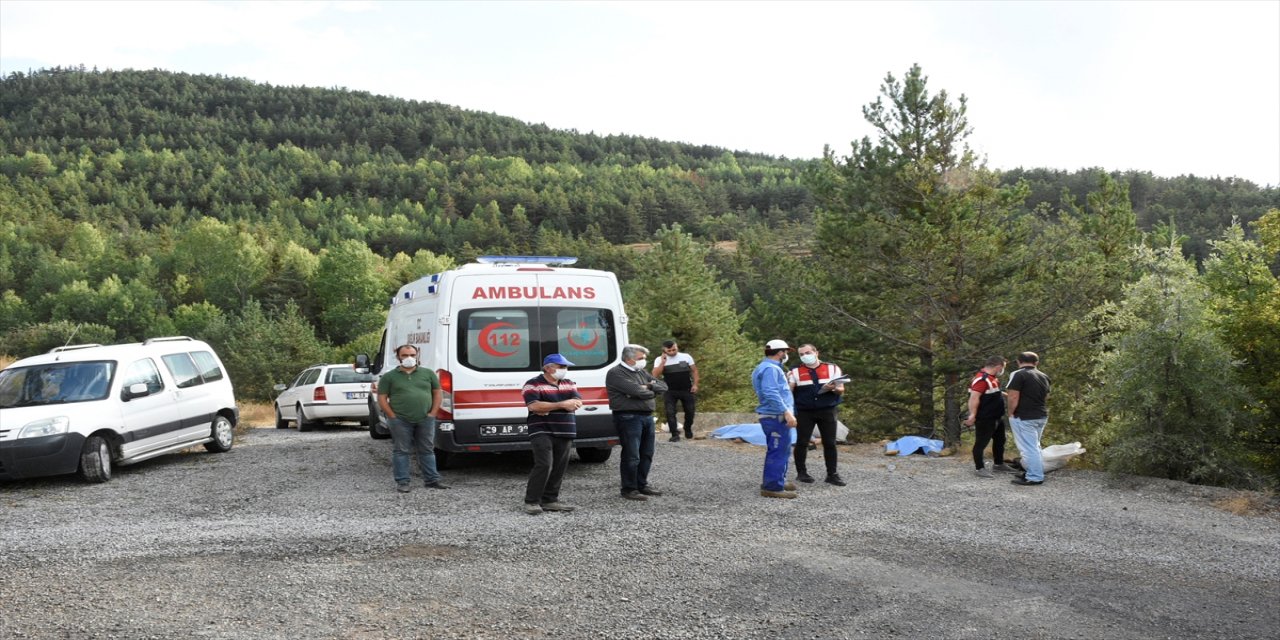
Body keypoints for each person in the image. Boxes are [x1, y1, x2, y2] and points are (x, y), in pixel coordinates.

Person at [377, 344, 449, 493]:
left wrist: (432, 413)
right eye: (404, 355)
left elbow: (437, 393)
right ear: (398, 357)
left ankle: (432, 480)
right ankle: (403, 482)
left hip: (425, 418)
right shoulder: (389, 377)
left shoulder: (428, 374)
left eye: (412, 355)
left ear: (417, 356)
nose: (409, 358)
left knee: (427, 449)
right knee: (401, 451)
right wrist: (392, 416)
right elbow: (382, 398)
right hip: (400, 420)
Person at [521, 354, 584, 514]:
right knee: (544, 464)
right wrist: (562, 404)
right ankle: (532, 501)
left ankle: (550, 500)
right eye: (561, 366)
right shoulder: (532, 384)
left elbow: (576, 402)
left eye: (565, 367)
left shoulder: (569, 384)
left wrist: (548, 407)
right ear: (548, 368)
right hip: (541, 429)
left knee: (559, 466)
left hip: (565, 429)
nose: (564, 370)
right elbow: (534, 406)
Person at [606, 344, 669, 501]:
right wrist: (648, 389)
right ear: (629, 359)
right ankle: (629, 488)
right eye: (641, 358)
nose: (644, 361)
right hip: (628, 418)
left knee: (646, 453)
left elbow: (663, 387)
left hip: (647, 417)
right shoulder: (616, 373)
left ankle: (642, 484)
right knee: (631, 455)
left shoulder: (641, 372)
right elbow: (637, 392)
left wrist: (647, 386)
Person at [787, 344, 847, 486]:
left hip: (827, 410)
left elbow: (841, 389)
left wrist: (833, 389)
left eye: (808, 352)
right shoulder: (794, 371)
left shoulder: (832, 368)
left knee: (830, 443)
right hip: (804, 411)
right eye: (801, 354)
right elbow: (788, 392)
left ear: (816, 352)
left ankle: (832, 474)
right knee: (802, 442)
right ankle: (801, 473)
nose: (805, 356)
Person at [753, 339, 798, 499]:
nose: (786, 355)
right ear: (780, 352)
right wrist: (786, 412)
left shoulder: (768, 367)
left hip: (776, 415)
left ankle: (778, 480)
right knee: (778, 451)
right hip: (775, 416)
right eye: (785, 351)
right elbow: (771, 393)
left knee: (783, 450)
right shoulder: (771, 369)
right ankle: (772, 487)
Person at [963, 356, 1017, 478]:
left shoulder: (992, 379)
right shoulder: (982, 379)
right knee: (981, 443)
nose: (1002, 370)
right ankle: (979, 468)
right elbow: (974, 397)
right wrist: (972, 415)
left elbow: (994, 392)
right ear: (998, 366)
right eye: (1003, 367)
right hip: (985, 418)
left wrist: (1007, 395)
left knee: (1000, 440)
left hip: (997, 416)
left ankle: (998, 464)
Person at [1006, 351, 1052, 486]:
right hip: (1041, 414)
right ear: (1036, 363)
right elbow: (1046, 396)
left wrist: (1010, 412)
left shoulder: (1019, 375)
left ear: (1018, 361)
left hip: (1024, 416)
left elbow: (1013, 396)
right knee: (1035, 446)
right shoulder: (1044, 376)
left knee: (1028, 448)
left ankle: (1035, 476)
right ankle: (1033, 471)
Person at [652, 340, 698, 441]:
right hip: (670, 391)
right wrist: (663, 362)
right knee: (670, 412)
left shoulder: (686, 356)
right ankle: (674, 434)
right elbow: (655, 375)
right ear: (664, 350)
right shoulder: (659, 360)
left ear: (677, 347)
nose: (672, 352)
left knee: (690, 411)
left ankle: (687, 428)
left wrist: (695, 384)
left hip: (687, 389)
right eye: (669, 350)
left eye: (674, 349)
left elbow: (694, 370)